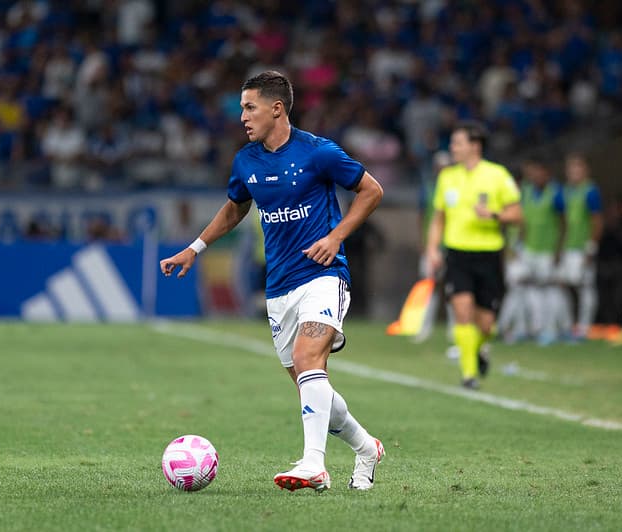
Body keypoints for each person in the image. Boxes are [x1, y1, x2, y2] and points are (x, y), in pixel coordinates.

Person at [160, 71, 385, 492]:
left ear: (277, 108)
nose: (242, 116)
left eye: (249, 107)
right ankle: (366, 447)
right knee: (308, 380)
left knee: (307, 359)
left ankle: (314, 464)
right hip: (279, 287)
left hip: (323, 275)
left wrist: (335, 237)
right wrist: (195, 247)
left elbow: (371, 190)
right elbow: (234, 208)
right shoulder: (246, 159)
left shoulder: (319, 153)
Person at [425, 120, 523, 389]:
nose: (453, 148)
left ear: (474, 145)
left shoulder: (497, 175)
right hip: (457, 254)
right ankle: (469, 375)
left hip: (489, 254)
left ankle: (480, 349)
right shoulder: (447, 177)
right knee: (462, 311)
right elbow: (438, 218)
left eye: (458, 143)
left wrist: (493, 214)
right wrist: (433, 248)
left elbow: (517, 214)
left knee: (486, 325)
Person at [518, 157, 567, 345]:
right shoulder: (527, 191)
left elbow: (563, 223)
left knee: (551, 290)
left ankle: (551, 329)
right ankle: (534, 328)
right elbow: (524, 222)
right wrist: (519, 246)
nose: (537, 176)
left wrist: (558, 249)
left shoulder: (556, 193)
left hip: (548, 250)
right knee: (529, 289)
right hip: (530, 248)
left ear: (547, 173)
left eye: (540, 172)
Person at [558, 152, 603, 339]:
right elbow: (563, 222)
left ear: (585, 170)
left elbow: (597, 220)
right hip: (569, 246)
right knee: (563, 284)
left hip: (583, 246)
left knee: (585, 286)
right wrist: (560, 246)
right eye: (571, 168)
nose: (574, 172)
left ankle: (585, 326)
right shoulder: (565, 191)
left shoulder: (591, 190)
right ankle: (570, 325)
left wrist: (591, 246)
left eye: (578, 167)